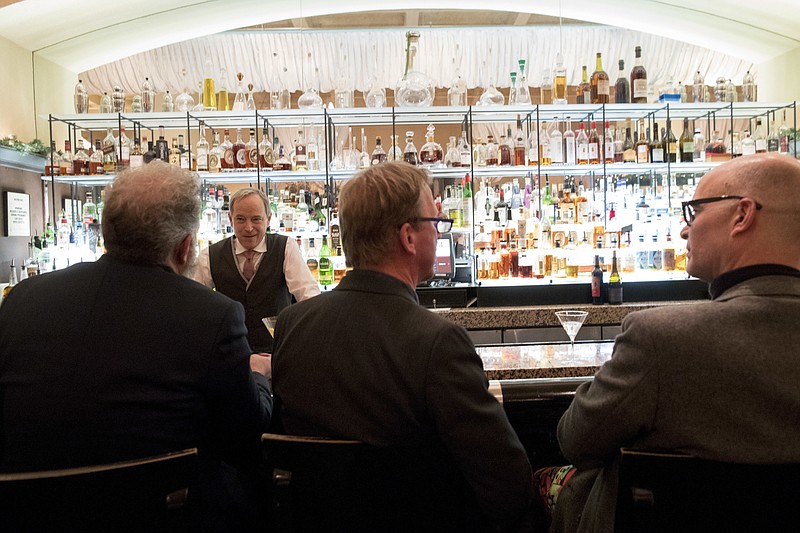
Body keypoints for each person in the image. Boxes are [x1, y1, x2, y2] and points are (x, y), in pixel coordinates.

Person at [0, 161, 273, 531]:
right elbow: (246, 439)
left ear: (107, 232)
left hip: (33, 513)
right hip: (167, 512)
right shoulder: (212, 316)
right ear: (185, 247)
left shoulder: (23, 299)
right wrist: (259, 378)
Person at [271, 161, 533, 530]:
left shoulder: (292, 325)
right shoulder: (437, 341)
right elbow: (508, 488)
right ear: (408, 238)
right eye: (435, 224)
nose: (440, 234)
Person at [550, 153, 800, 532]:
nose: (685, 230)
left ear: (742, 215)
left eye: (694, 212)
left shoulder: (661, 340)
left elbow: (576, 440)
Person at [194, 187, 319, 354]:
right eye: (240, 219)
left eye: (256, 219)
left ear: (268, 219)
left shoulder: (286, 248)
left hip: (278, 354)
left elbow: (309, 298)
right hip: (229, 357)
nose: (249, 227)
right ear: (230, 219)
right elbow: (195, 308)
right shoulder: (209, 255)